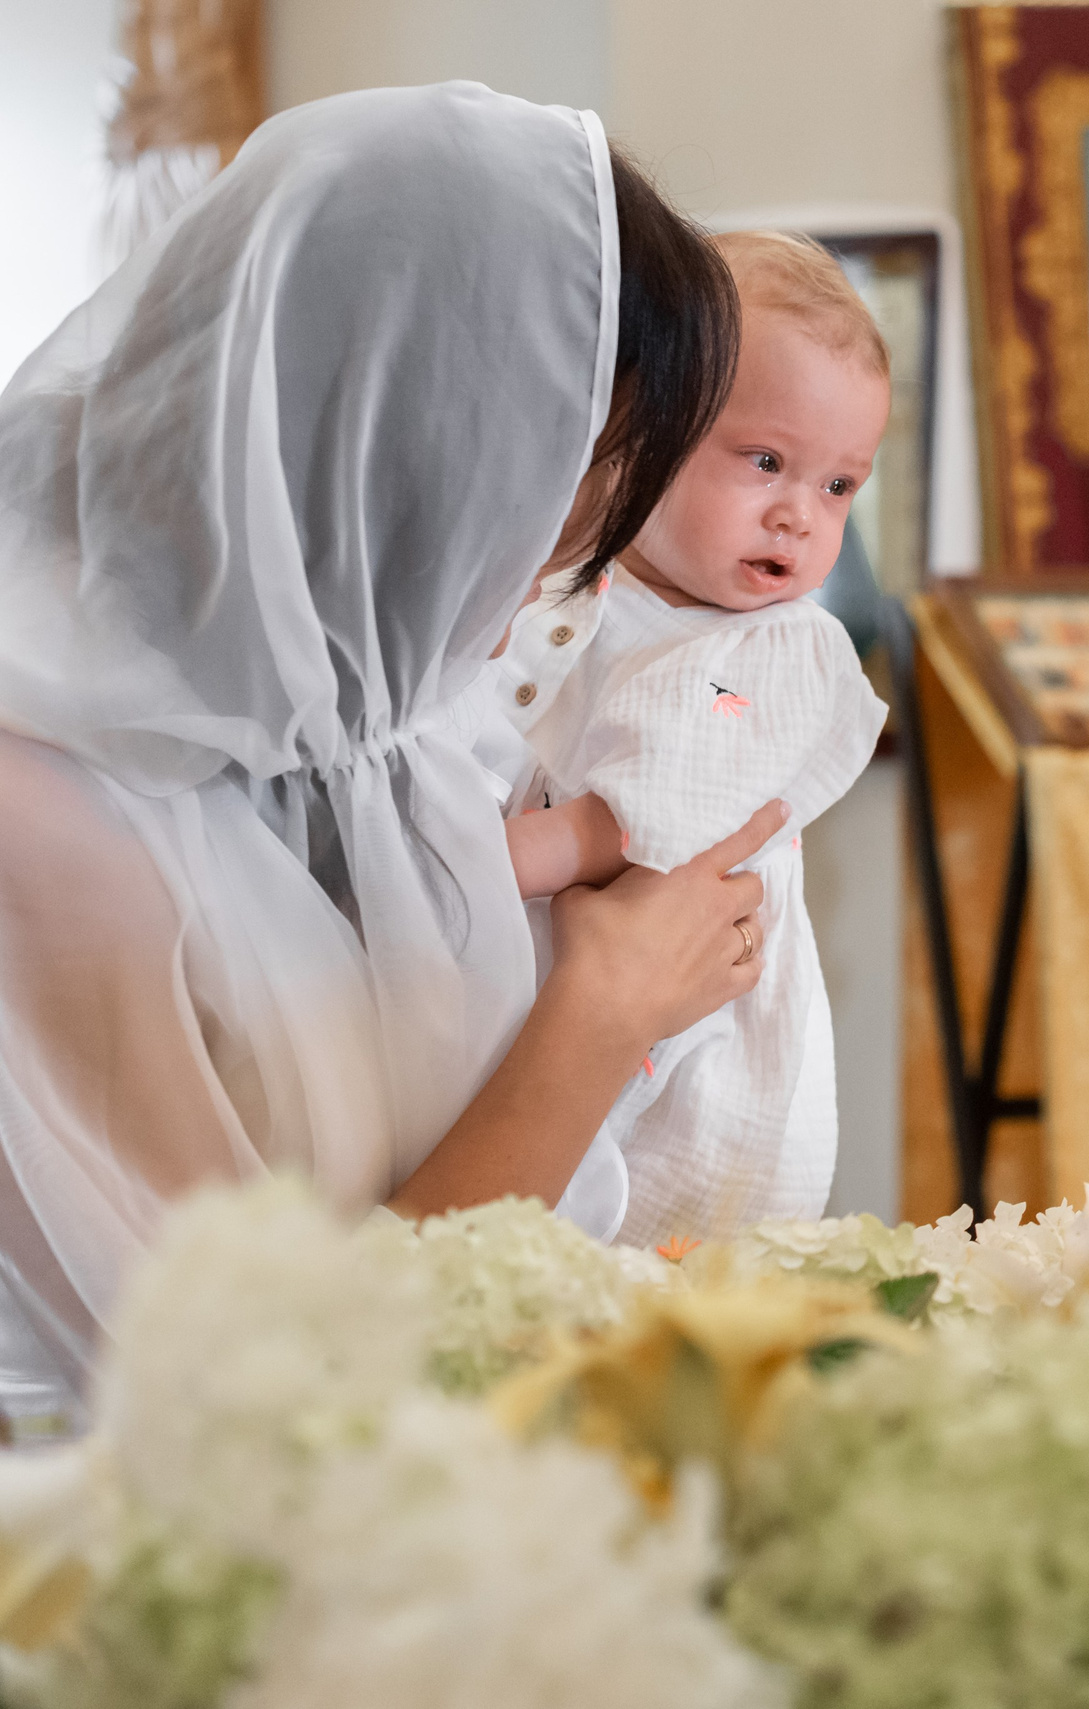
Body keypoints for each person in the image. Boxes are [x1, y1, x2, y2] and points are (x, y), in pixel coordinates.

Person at [0, 83, 774, 1428]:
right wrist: (599, 1019)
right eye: (528, 518)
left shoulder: (387, 723)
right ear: (385, 450)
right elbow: (256, 1410)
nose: (533, 596)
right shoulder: (44, 815)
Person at [488, 231, 890, 1248]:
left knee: (637, 1258)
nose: (799, 516)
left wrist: (499, 859)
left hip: (695, 1064)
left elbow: (663, 804)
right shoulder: (572, 583)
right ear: (648, 429)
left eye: (839, 486)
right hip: (549, 996)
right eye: (767, 462)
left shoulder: (784, 648)